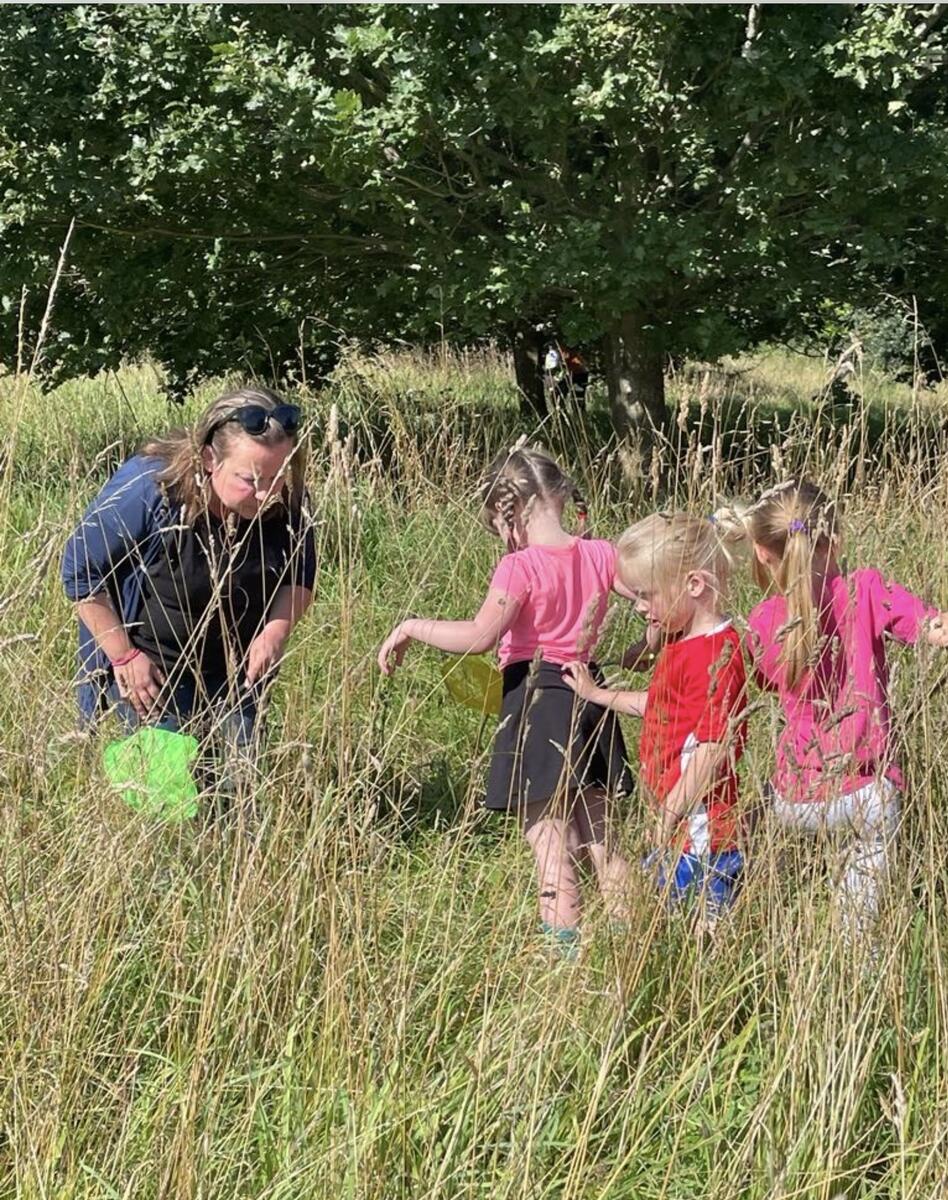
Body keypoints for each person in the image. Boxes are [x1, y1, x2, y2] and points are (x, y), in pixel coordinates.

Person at [378, 446, 633, 957]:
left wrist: (411, 626)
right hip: (593, 695)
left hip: (537, 701)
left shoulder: (520, 567)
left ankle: (565, 966)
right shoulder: (604, 554)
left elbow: (480, 635)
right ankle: (635, 950)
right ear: (560, 493)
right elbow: (652, 598)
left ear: (506, 509)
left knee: (551, 851)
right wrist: (646, 645)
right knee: (606, 845)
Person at [61, 385, 315, 801]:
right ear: (209, 459)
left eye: (277, 475)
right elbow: (80, 572)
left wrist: (275, 632)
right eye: (250, 480)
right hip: (150, 672)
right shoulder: (151, 489)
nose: (267, 492)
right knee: (163, 802)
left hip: (236, 672)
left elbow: (300, 576)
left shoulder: (288, 499)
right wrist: (124, 657)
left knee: (237, 794)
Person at [726, 479, 948, 941]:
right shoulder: (865, 587)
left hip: (794, 797)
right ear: (837, 540)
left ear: (763, 554)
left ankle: (755, 925)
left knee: (761, 835)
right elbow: (928, 627)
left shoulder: (766, 621)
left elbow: (766, 681)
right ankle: (854, 961)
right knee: (858, 917)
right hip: (868, 793)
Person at [564, 513, 749, 924]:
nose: (641, 608)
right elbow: (661, 704)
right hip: (681, 834)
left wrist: (670, 813)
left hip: (703, 836)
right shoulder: (685, 643)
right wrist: (597, 695)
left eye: (646, 596)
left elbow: (713, 748)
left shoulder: (715, 654)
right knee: (670, 927)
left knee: (702, 936)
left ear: (694, 585)